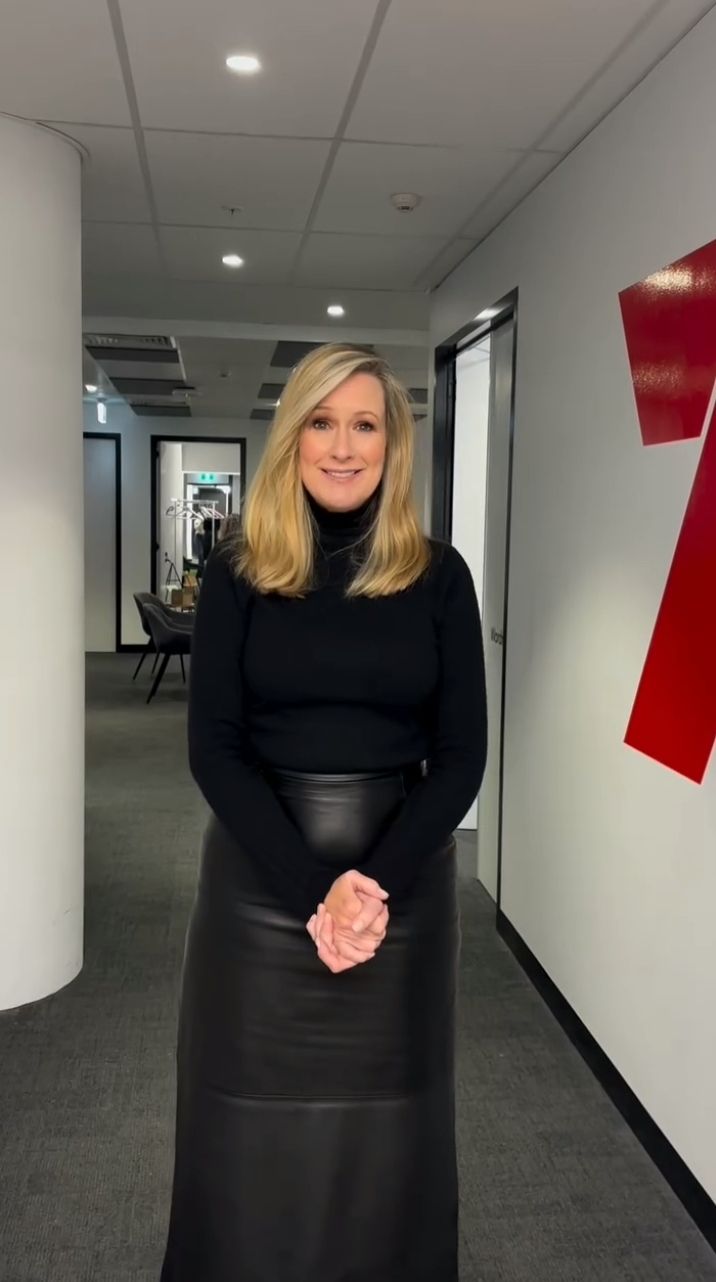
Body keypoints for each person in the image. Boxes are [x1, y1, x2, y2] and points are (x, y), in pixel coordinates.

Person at [160, 343, 488, 1282]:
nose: (343, 447)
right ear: (293, 435)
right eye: (322, 422)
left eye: (365, 425)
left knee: (395, 1128)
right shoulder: (238, 570)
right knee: (242, 1123)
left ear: (393, 443)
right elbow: (214, 749)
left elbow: (461, 758)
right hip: (258, 887)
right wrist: (316, 891)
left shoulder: (439, 576)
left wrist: (367, 889)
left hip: (400, 896)